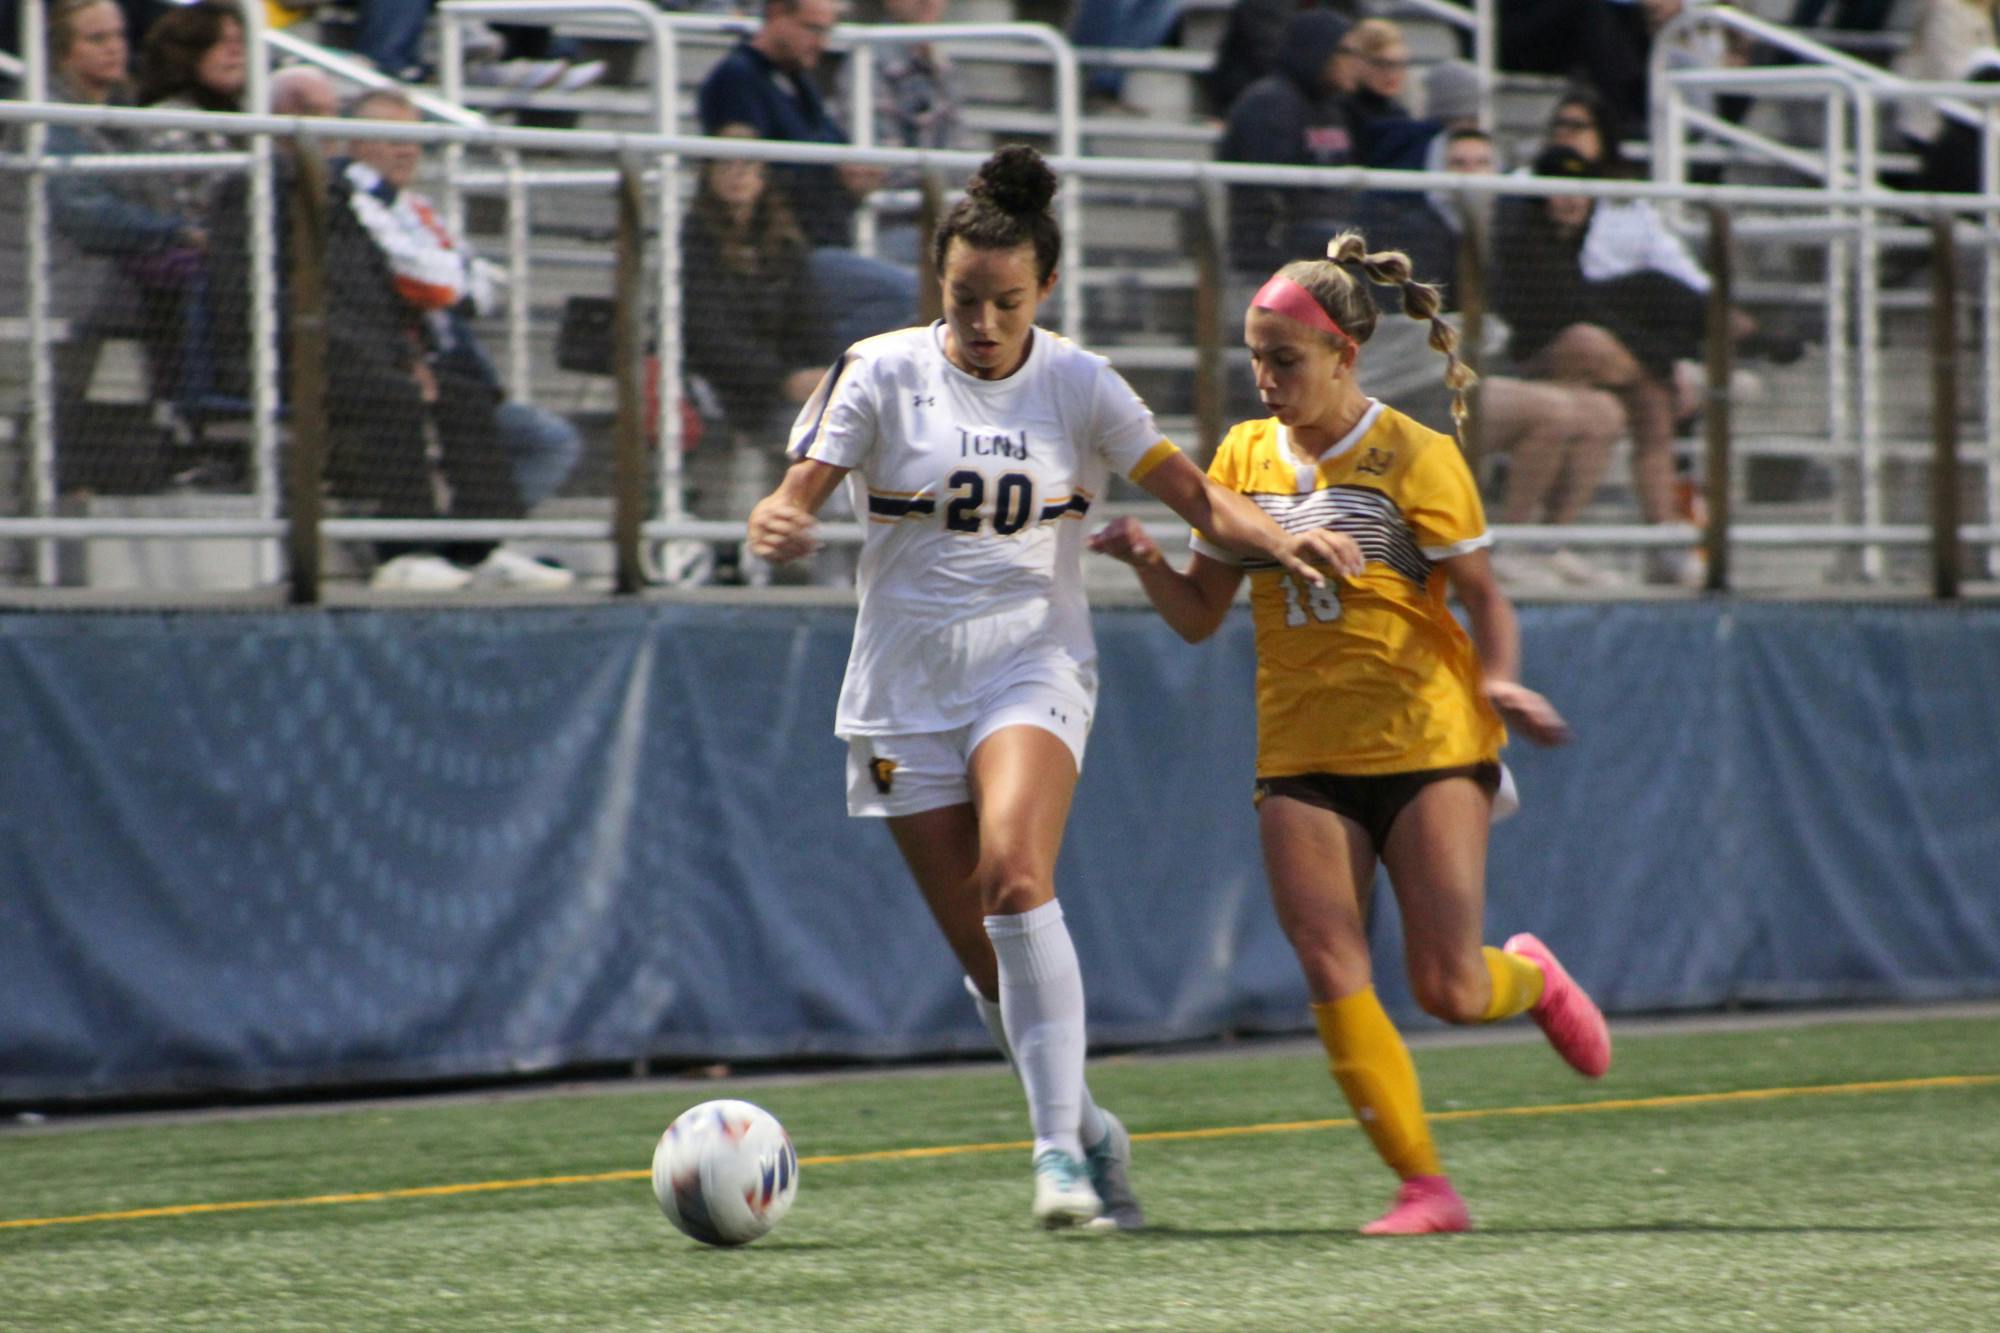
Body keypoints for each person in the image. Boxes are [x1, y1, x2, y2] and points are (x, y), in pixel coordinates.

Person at [745, 145, 1362, 1229]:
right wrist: (779, 516)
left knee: (1015, 876)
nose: (983, 321)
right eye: (963, 298)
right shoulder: (879, 370)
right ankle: (1089, 1126)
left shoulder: (1080, 383)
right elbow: (796, 489)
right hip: (899, 691)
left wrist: (1289, 537)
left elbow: (1200, 499)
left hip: (1032, 661)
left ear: (1046, 291)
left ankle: (1052, 1157)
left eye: (1006, 300)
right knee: (988, 961)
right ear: (937, 285)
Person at [1088, 231, 1610, 1236]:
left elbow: (1483, 597)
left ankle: (1530, 979)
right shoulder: (1240, 454)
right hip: (1298, 749)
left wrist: (1498, 678)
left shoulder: (1415, 455)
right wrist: (1146, 560)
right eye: (1254, 357)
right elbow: (1201, 614)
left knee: (1449, 986)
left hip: (1423, 740)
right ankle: (1424, 1185)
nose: (1265, 377)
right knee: (1328, 958)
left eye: (1285, 359)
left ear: (1345, 358)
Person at [338, 89, 577, 589]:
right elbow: (428, 280)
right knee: (432, 402)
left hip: (454, 365)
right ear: (355, 141)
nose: (407, 152)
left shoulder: (418, 208)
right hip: (383, 362)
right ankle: (409, 552)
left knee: (544, 436)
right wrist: (453, 280)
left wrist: (453, 280)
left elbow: (478, 288)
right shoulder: (350, 203)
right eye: (391, 139)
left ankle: (481, 547)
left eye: (415, 140)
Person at [697, 0, 918, 352]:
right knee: (909, 294)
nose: (822, 42)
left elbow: (831, 152)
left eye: (827, 31)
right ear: (776, 15)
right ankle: (819, 377)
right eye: (812, 29)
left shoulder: (799, 81)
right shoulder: (738, 79)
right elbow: (748, 176)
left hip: (819, 244)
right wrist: (835, 179)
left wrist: (853, 180)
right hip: (785, 256)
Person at [681, 126, 836, 549]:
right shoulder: (693, 240)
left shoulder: (782, 241)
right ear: (707, 173)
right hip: (721, 385)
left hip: (778, 382)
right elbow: (707, 336)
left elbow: (810, 316)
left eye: (748, 164)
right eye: (725, 164)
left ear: (764, 174)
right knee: (816, 444)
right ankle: (755, 551)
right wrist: (782, 380)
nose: (737, 175)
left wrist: (824, 374)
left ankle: (832, 568)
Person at [1215, 8, 1362, 276]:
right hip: (1276, 257)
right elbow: (1267, 200)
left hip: (1326, 245)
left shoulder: (1332, 109)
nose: (1357, 64)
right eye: (1347, 52)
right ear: (1318, 51)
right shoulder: (1268, 105)